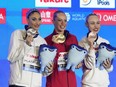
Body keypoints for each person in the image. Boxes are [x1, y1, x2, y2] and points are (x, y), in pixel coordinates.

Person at [8, 8, 53, 87]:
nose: (37, 22)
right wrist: (27, 44)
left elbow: (42, 72)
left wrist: (48, 70)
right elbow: (12, 58)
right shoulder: (17, 34)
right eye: (34, 19)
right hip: (18, 84)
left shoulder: (42, 41)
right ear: (27, 20)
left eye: (39, 19)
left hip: (35, 85)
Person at [45, 10, 81, 87]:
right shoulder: (47, 40)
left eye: (65, 21)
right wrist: (55, 44)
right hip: (54, 83)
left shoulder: (73, 38)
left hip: (71, 83)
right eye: (59, 20)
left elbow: (77, 60)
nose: (63, 24)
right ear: (53, 21)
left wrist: (79, 63)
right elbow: (48, 65)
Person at [79, 13, 113, 87]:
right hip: (88, 84)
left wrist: (109, 66)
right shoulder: (82, 43)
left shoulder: (105, 42)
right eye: (92, 23)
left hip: (104, 84)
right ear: (86, 25)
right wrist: (91, 45)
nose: (96, 26)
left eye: (98, 23)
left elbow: (109, 69)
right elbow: (89, 65)